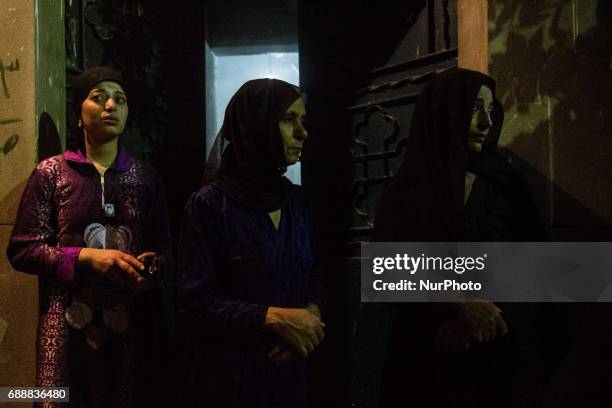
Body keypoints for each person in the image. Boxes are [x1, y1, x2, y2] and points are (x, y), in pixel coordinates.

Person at [372, 68, 548, 407]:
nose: (485, 122)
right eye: (473, 109)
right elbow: (385, 272)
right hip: (423, 359)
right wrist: (457, 302)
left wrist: (477, 323)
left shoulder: (505, 185)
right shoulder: (407, 191)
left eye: (489, 109)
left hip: (496, 358)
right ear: (445, 113)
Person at [7, 66, 172, 407]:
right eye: (98, 98)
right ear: (80, 114)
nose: (111, 106)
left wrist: (154, 269)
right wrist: (87, 257)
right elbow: (23, 249)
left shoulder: (145, 178)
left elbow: (167, 251)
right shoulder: (52, 173)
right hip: (64, 328)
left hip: (131, 329)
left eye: (120, 100)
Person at [177, 78, 325, 408]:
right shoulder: (209, 206)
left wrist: (309, 321)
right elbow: (194, 299)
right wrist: (274, 318)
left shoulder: (297, 202)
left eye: (303, 120)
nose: (303, 133)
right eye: (289, 120)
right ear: (255, 125)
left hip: (292, 372)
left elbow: (314, 273)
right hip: (232, 378)